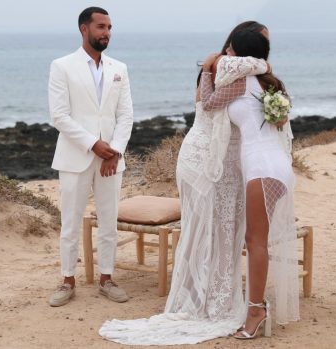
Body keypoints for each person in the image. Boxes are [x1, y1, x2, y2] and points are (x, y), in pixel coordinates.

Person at [98, 22, 271, 345]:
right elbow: (211, 103)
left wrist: (214, 65)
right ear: (242, 47)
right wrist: (239, 64)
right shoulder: (230, 71)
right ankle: (209, 299)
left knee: (218, 230)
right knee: (210, 229)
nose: (266, 51)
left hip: (218, 160)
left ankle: (211, 291)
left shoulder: (220, 68)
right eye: (263, 43)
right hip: (208, 162)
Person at [201, 28, 300, 339]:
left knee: (255, 241)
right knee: (257, 239)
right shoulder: (269, 83)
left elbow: (208, 103)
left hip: (262, 166)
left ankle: (256, 310)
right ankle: (256, 307)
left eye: (231, 49)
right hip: (274, 166)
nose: (226, 54)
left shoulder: (240, 80)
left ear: (239, 53)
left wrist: (206, 71)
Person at [47, 6, 133, 307]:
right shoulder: (62, 66)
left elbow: (126, 116)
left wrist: (114, 151)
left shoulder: (119, 69)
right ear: (84, 29)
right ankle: (67, 280)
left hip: (111, 159)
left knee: (109, 221)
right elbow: (59, 115)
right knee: (70, 222)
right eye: (100, 27)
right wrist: (93, 144)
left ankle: (107, 278)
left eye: (109, 27)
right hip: (75, 157)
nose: (106, 32)